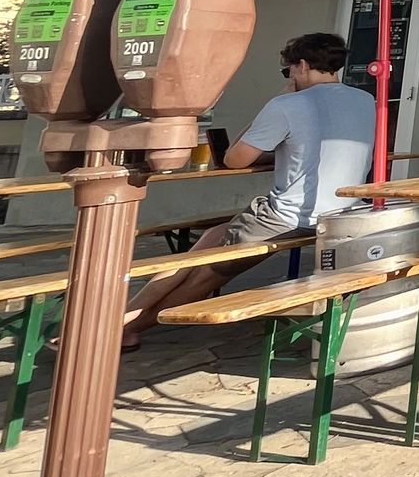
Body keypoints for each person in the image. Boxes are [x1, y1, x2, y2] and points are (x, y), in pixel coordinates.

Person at [121, 33, 375, 348]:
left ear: (303, 65)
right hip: (342, 213)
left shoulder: (287, 105)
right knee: (211, 239)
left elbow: (234, 159)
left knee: (207, 273)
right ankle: (125, 319)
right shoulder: (365, 100)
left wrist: (275, 101)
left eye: (288, 71)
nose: (289, 78)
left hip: (288, 218)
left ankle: (128, 328)